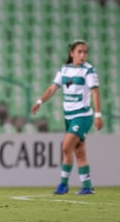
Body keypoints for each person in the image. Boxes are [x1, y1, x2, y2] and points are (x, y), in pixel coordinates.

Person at [31, 40, 103, 195]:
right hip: (69, 116)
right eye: (80, 51)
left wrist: (98, 115)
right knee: (79, 150)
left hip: (82, 115)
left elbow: (95, 92)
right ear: (72, 53)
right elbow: (52, 88)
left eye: (85, 52)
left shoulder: (89, 71)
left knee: (66, 146)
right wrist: (39, 101)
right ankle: (87, 186)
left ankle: (63, 184)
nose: (83, 55)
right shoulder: (65, 70)